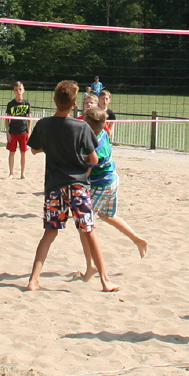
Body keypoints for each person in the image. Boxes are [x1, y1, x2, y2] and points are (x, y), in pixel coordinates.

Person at [26, 80, 116, 292]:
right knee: (89, 230)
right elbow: (93, 159)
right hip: (77, 185)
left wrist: (52, 148)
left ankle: (33, 280)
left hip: (55, 185)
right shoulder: (82, 126)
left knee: (49, 232)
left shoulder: (44, 124)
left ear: (55, 100)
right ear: (74, 103)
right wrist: (80, 159)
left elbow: (34, 150)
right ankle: (105, 281)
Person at [77, 107, 148, 281]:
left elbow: (87, 169)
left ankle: (90, 266)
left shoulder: (93, 145)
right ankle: (138, 240)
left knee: (83, 225)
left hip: (100, 184)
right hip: (113, 180)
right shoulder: (104, 132)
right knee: (107, 215)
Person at [6, 81, 32, 180]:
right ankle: (11, 173)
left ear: (23, 90)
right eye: (16, 89)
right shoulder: (11, 104)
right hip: (13, 131)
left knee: (23, 152)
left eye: (20, 89)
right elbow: (7, 119)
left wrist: (29, 132)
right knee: (12, 152)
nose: (18, 91)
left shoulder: (27, 103)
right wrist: (7, 132)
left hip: (23, 131)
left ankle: (22, 173)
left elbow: (30, 119)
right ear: (14, 91)